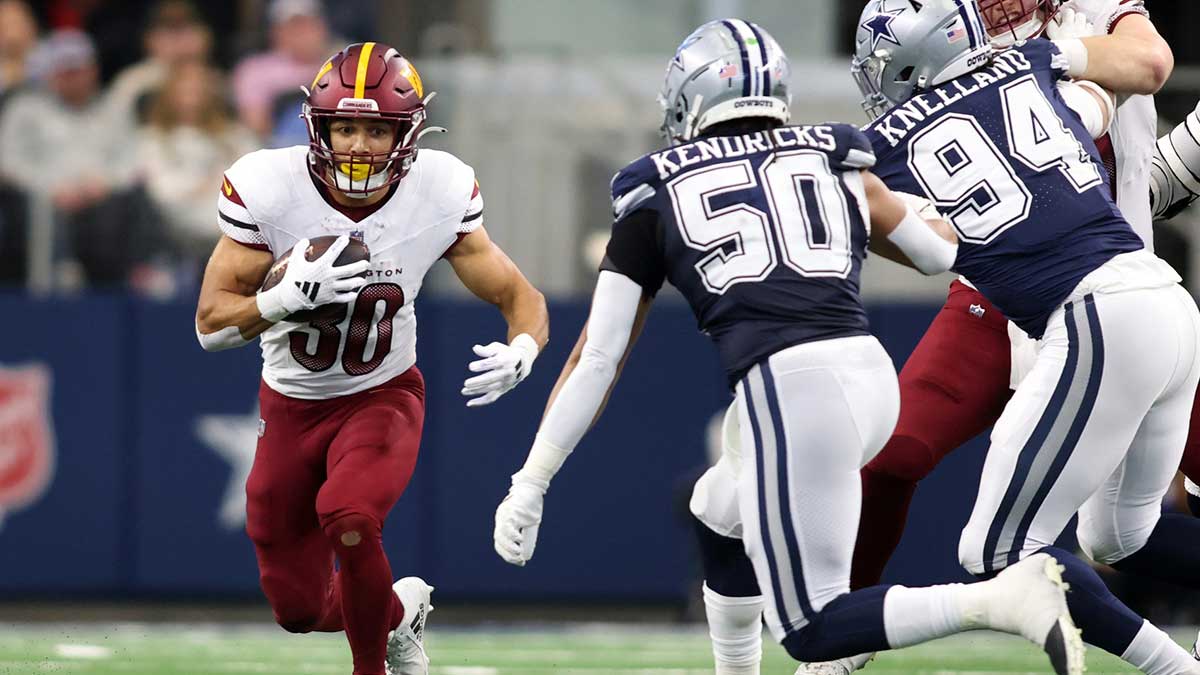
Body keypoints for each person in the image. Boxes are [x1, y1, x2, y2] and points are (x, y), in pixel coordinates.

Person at [491, 19, 1084, 675]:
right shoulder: (832, 153)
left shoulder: (652, 189)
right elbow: (936, 252)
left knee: (811, 626)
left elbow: (597, 358)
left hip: (792, 389)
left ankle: (1001, 601)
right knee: (718, 514)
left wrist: (531, 481)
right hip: (866, 377)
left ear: (690, 98)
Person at [822, 1, 1200, 673]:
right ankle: (850, 636)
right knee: (1113, 536)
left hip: (1092, 305)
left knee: (998, 552)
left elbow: (1148, 66)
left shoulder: (890, 137)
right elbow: (1096, 109)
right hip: (1125, 298)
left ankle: (1174, 667)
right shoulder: (1036, 66)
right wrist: (1049, 64)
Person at [194, 42, 548, 675]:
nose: (359, 145)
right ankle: (397, 613)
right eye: (345, 128)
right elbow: (210, 327)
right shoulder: (269, 188)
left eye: (378, 130)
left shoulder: (437, 190)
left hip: (381, 394)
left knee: (351, 515)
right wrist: (280, 301)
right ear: (318, 128)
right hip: (291, 405)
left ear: (407, 135)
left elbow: (520, 297)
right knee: (298, 608)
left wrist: (524, 346)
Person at [136, 61, 257, 271]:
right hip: (179, 218)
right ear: (169, 97)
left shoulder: (234, 136)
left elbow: (256, 172)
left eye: (198, 92)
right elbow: (162, 191)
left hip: (230, 210)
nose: (191, 100)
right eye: (184, 93)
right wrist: (205, 185)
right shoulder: (153, 139)